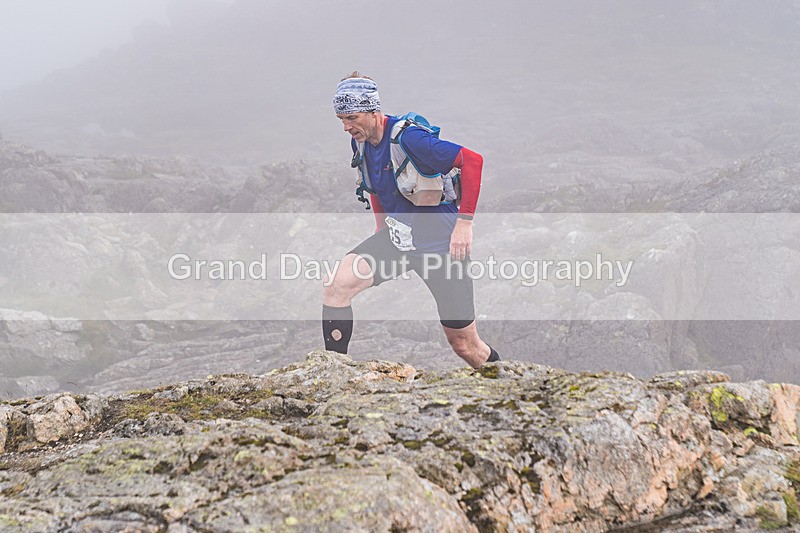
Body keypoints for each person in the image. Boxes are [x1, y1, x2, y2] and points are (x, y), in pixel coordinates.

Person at [322, 72, 499, 368]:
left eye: (351, 117)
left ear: (373, 111)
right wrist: (381, 230)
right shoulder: (362, 143)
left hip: (442, 248)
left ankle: (511, 386)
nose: (345, 126)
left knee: (465, 345)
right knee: (337, 285)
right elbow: (373, 185)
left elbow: (473, 160)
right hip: (399, 239)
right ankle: (333, 372)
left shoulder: (411, 139)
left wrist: (464, 223)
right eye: (341, 118)